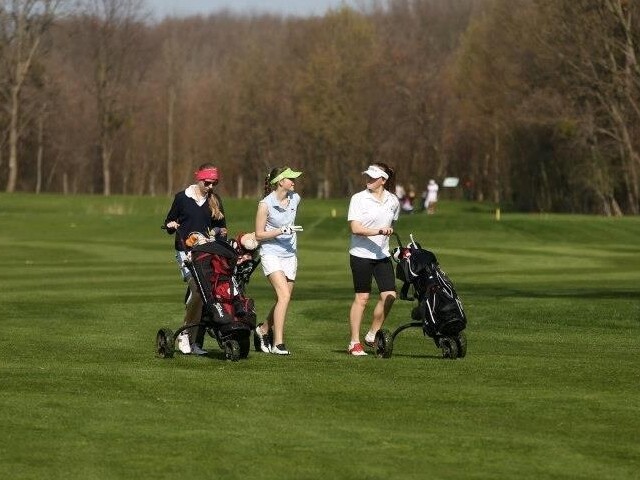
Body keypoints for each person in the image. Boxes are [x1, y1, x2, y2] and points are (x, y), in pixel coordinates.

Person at [164, 163, 227, 356]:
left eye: (214, 183)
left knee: (201, 297)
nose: (210, 186)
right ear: (198, 178)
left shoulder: (215, 200)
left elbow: (223, 229)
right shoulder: (182, 198)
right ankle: (184, 333)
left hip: (207, 253)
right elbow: (168, 222)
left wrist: (216, 231)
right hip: (185, 253)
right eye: (207, 182)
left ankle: (193, 342)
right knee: (198, 290)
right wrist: (172, 224)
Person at [347, 163, 400, 356]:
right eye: (367, 176)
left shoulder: (393, 201)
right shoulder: (358, 199)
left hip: (382, 255)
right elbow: (355, 228)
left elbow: (391, 223)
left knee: (390, 295)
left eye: (373, 177)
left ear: (383, 180)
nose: (368, 179)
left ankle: (372, 334)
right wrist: (378, 231)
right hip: (360, 255)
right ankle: (354, 342)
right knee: (362, 298)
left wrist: (385, 233)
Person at [253, 166, 303, 355]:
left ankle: (263, 329)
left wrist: (288, 231)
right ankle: (278, 343)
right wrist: (280, 231)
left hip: (290, 254)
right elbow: (258, 234)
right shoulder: (265, 204)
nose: (294, 182)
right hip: (271, 253)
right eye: (290, 178)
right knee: (283, 296)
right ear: (280, 181)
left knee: (284, 299)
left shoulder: (295, 199)